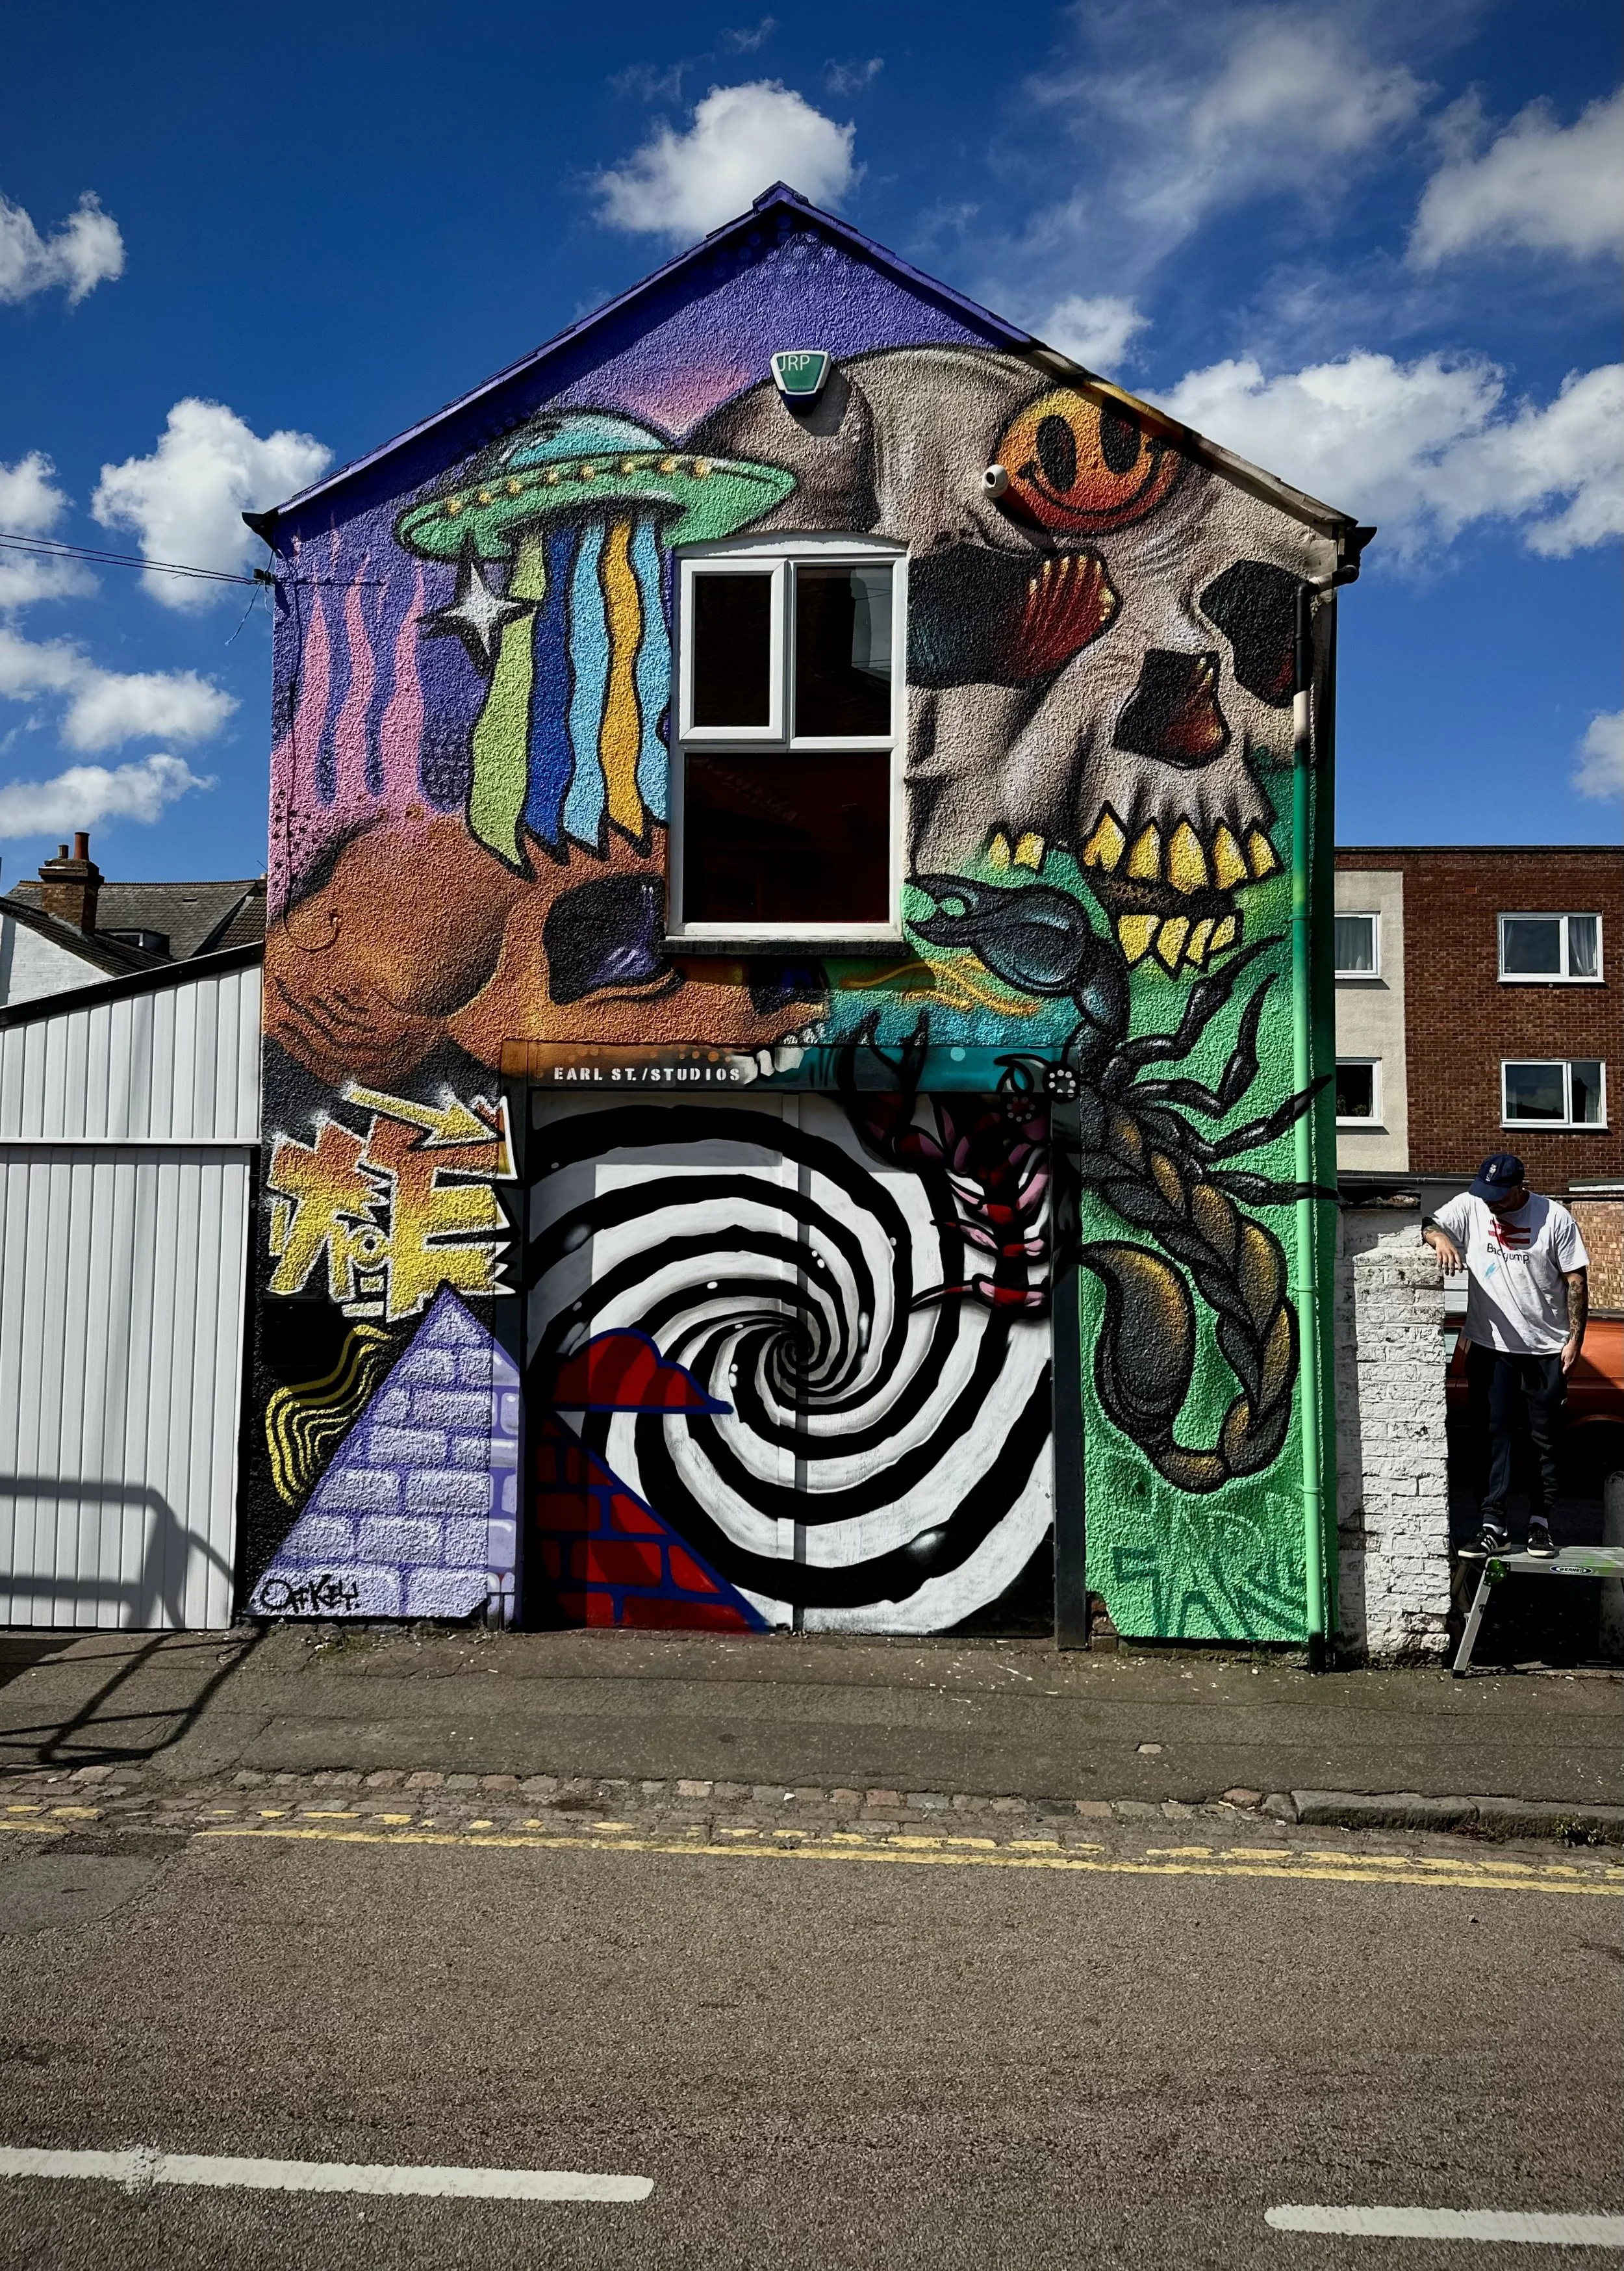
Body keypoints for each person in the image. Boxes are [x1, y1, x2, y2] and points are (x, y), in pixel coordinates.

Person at [1423, 1153, 1589, 1559]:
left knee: (1543, 1440)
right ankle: (1493, 1525)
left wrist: (1574, 1341)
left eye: (1499, 1195)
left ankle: (1540, 1524)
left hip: (1544, 1350)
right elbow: (1428, 1224)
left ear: (1520, 1188)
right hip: (1490, 1347)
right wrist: (1441, 1238)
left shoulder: (1554, 1218)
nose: (1491, 1202)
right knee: (1491, 1436)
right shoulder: (1472, 1204)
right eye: (1486, 1194)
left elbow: (1576, 1280)